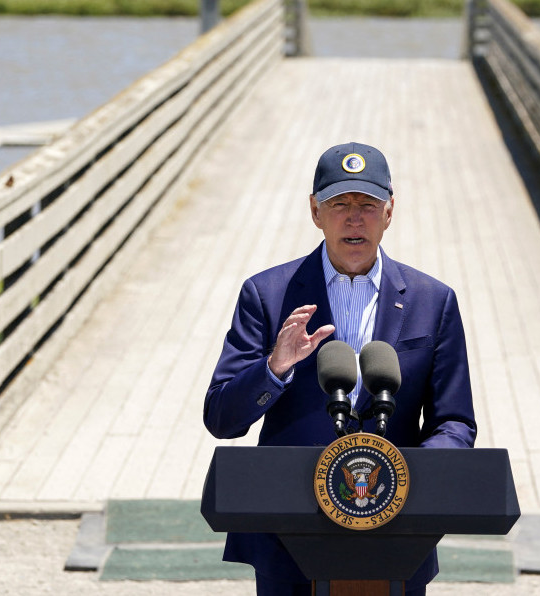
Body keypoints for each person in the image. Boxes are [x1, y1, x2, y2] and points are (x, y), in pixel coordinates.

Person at [204, 142, 477, 595]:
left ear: (390, 211)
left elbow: (454, 421)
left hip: (398, 536)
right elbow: (221, 418)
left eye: (368, 205)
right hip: (287, 536)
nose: (354, 218)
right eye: (339, 204)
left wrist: (412, 483)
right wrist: (274, 367)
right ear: (315, 211)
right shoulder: (268, 294)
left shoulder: (434, 301)